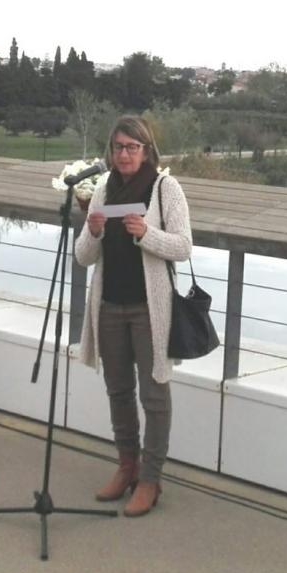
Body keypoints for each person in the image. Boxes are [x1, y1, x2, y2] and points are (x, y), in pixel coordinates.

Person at [74, 115, 192, 517]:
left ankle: (150, 479)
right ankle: (127, 467)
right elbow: (83, 257)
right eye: (118, 147)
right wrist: (93, 231)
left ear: (146, 150)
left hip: (149, 309)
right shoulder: (103, 188)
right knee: (118, 390)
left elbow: (183, 247)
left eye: (132, 147)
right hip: (109, 306)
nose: (124, 154)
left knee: (154, 395)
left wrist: (145, 233)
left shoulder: (164, 188)